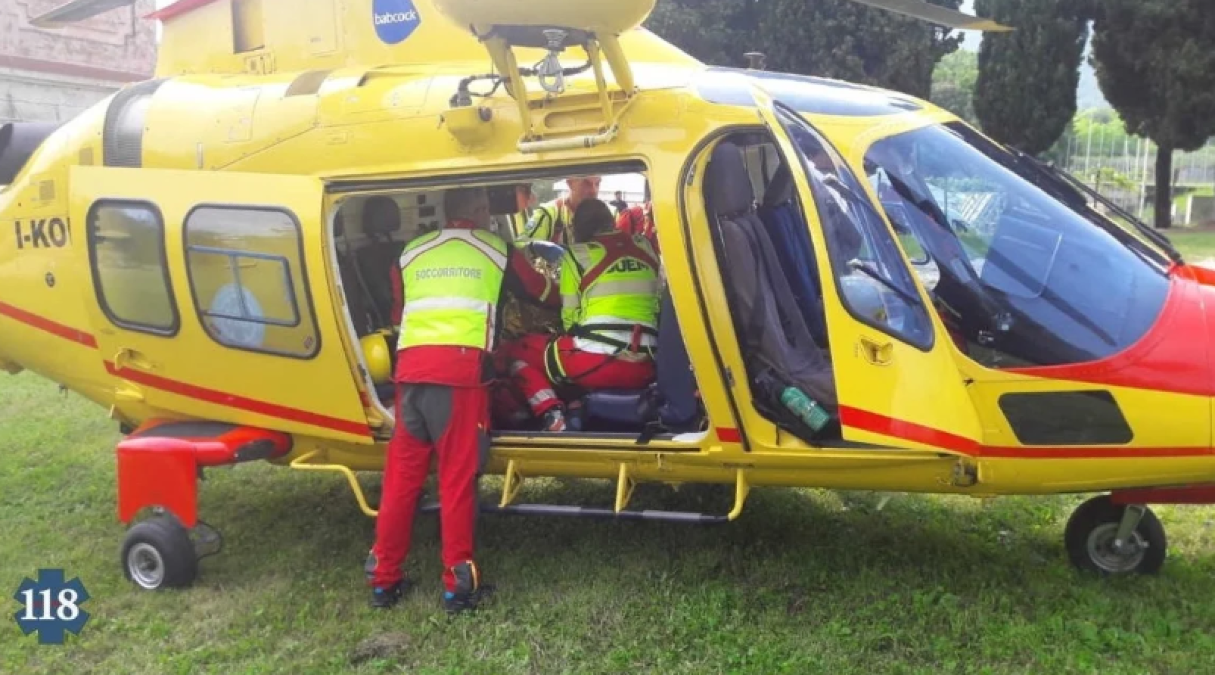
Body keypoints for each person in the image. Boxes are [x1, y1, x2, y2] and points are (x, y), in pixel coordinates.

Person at [370, 186, 558, 614]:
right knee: (456, 480)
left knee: (402, 480)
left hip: (410, 373)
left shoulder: (412, 251)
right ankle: (458, 585)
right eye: (487, 208)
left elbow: (400, 314)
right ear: (478, 209)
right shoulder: (496, 249)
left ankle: (383, 579)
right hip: (460, 377)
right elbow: (541, 293)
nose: (490, 215)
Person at [495, 199, 661, 431]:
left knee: (516, 351)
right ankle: (575, 404)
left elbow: (570, 320)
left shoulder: (576, 255)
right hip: (648, 363)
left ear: (578, 229)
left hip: (598, 363)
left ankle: (552, 415)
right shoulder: (645, 247)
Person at [520, 175, 601, 247]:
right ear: (570, 183)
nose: (593, 191)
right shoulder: (547, 214)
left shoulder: (604, 216)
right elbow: (521, 246)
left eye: (597, 184)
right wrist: (538, 246)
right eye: (586, 184)